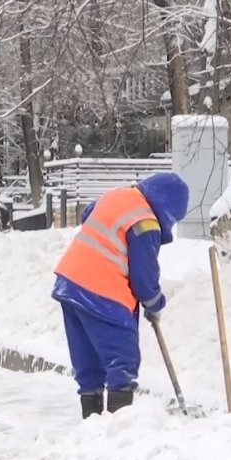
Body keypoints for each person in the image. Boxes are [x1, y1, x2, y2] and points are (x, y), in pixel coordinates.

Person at [51, 172, 190, 419]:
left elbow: (88, 215)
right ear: (168, 208)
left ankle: (91, 424)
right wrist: (154, 302)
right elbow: (143, 276)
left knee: (88, 363)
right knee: (122, 360)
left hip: (69, 283)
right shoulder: (146, 221)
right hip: (102, 291)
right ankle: (119, 428)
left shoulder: (118, 196)